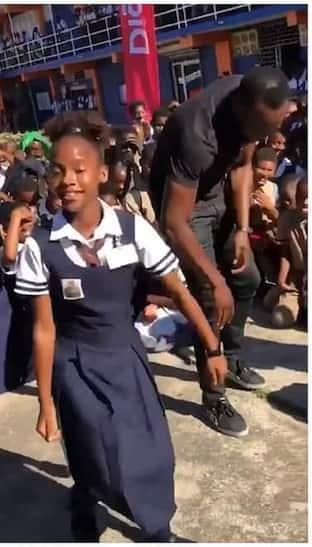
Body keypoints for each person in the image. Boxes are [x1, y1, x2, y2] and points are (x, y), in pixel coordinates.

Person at [18, 111, 229, 541]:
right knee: (94, 446)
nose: (68, 180)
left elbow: (182, 292)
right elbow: (43, 329)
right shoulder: (39, 247)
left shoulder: (134, 231)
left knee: (151, 451)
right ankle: (91, 502)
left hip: (125, 357)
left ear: (101, 174)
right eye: (58, 170)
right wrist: (45, 401)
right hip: (73, 363)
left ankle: (155, 525)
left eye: (80, 170)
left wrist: (211, 346)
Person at [150, 66, 291, 437]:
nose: (268, 137)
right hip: (185, 206)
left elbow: (243, 167)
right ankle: (213, 397)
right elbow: (173, 222)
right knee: (211, 299)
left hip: (220, 193)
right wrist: (214, 280)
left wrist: (243, 230)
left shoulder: (249, 104)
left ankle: (230, 360)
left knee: (247, 279)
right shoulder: (197, 132)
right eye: (263, 129)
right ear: (244, 111)